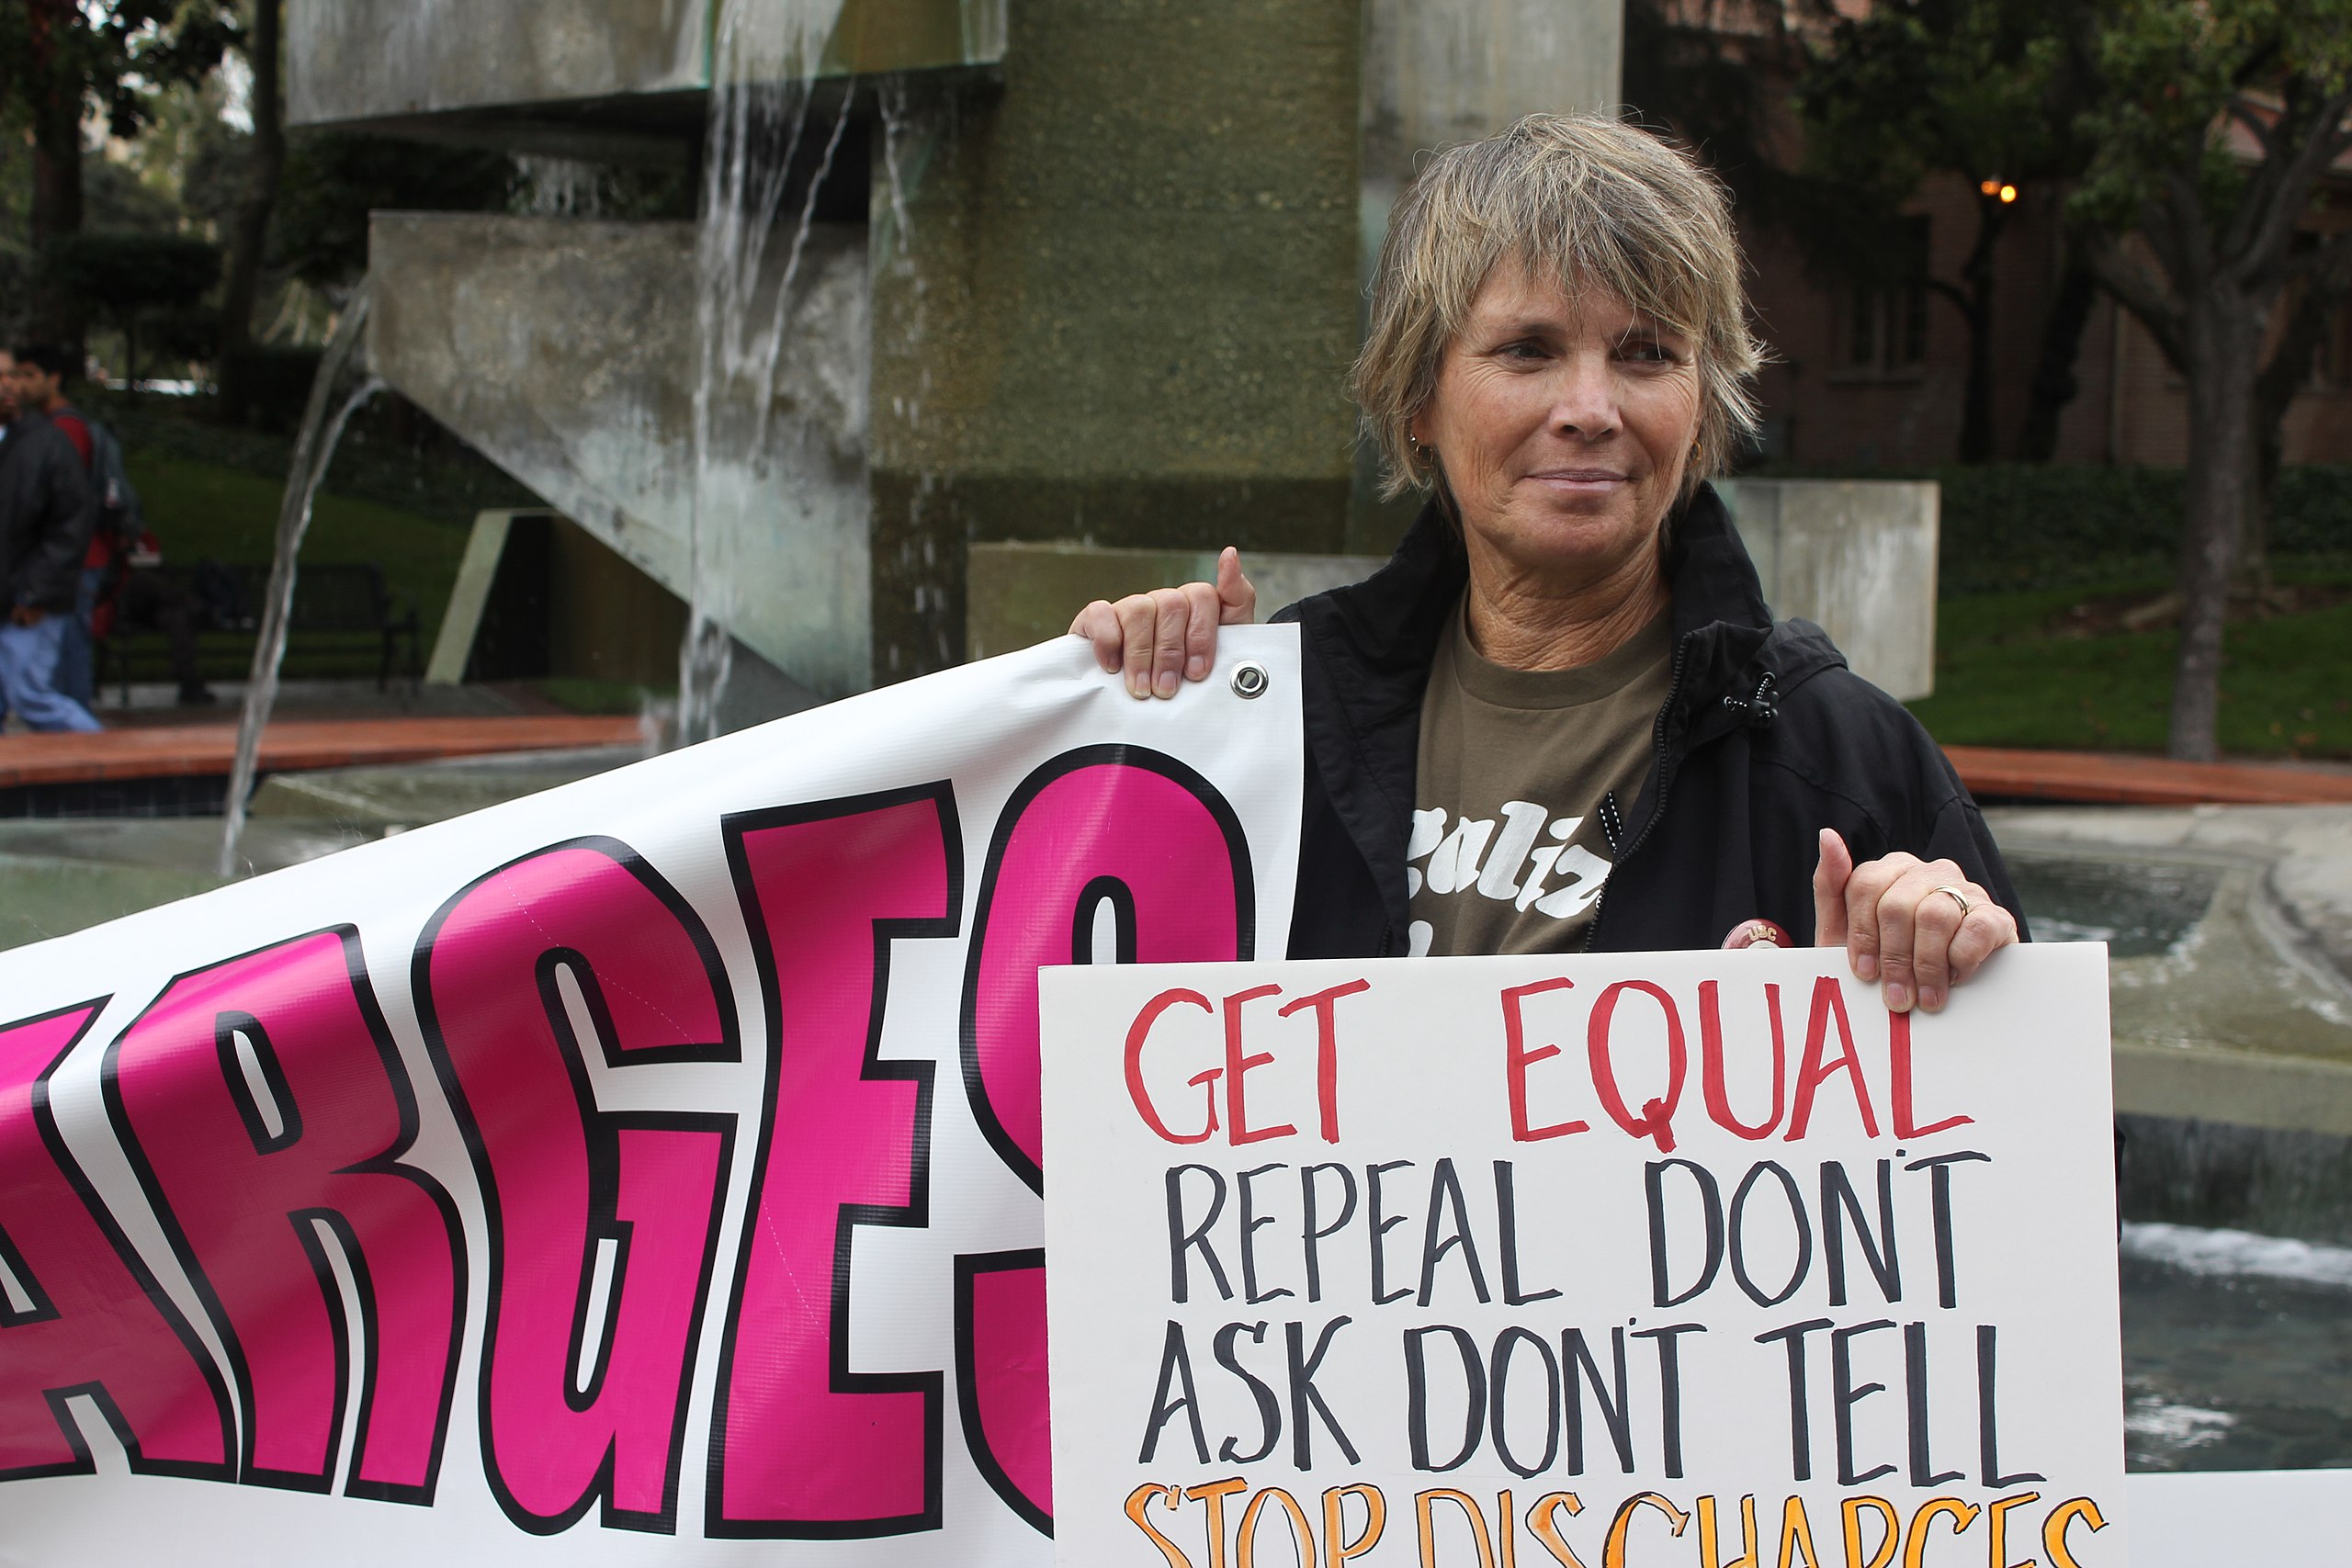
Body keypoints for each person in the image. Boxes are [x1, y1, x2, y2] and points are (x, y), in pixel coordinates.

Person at [1072, 114, 2020, 1015]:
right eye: (1527, 350)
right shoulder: (1285, 722)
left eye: (1647, 354)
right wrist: (1145, 728)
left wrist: (1945, 963)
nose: (1590, 409)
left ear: (1701, 405)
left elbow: (2033, 1114)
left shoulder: (1842, 764)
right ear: (1418, 397)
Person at [9, 343, 213, 708]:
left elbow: (64, 505)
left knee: (65, 660)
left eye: (28, 375)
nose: (19, 385)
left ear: (54, 379)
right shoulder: (53, 428)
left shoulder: (64, 432)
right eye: (15, 375)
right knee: (55, 663)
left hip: (75, 559)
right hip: (73, 557)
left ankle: (76, 733)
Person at [0, 345, 103, 732]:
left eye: (12, 374)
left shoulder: (47, 442)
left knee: (30, 694)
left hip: (26, 599)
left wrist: (35, 594)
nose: (8, 385)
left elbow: (71, 524)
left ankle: (102, 759)